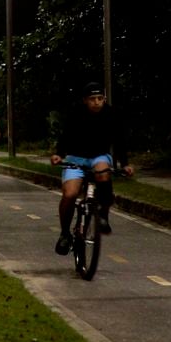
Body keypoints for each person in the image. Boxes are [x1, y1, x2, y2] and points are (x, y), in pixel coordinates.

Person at [50, 82, 133, 255]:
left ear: (104, 99)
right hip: (76, 157)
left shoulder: (111, 114)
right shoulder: (76, 113)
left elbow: (119, 141)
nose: (96, 102)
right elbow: (65, 135)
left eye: (100, 98)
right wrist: (59, 154)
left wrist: (125, 164)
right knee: (70, 194)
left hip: (99, 156)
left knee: (103, 172)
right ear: (85, 100)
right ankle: (65, 233)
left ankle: (103, 215)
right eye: (92, 99)